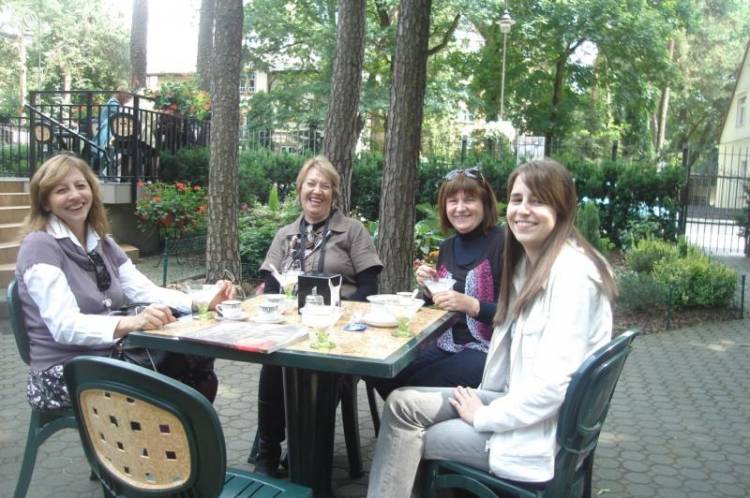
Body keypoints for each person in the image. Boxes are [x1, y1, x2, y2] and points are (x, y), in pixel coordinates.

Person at [366, 159, 617, 497]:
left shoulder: (572, 277)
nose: (523, 210)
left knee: (410, 430)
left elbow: (551, 390)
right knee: (401, 402)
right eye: (517, 199)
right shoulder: (535, 264)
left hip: (537, 434)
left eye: (538, 201)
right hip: (514, 400)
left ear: (562, 208)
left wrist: (483, 415)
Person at [15, 153, 234, 411]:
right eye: (61, 190)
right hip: (63, 372)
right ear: (45, 202)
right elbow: (64, 325)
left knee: (196, 351)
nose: (75, 195)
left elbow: (144, 290)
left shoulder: (102, 243)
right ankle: (167, 432)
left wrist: (201, 302)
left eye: (81, 186)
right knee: (175, 366)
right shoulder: (40, 246)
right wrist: (131, 322)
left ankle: (177, 432)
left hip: (105, 355)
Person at [252, 155, 383, 476]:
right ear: (300, 188)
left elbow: (369, 287)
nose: (317, 191)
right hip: (291, 330)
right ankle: (268, 451)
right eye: (311, 184)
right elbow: (271, 287)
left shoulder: (352, 231)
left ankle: (305, 450)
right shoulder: (285, 235)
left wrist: (341, 317)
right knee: (273, 364)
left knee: (323, 369)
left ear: (334, 193)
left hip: (338, 332)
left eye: (325, 186)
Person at [370, 167, 504, 399]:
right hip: (445, 343)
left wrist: (471, 305)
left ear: (485, 204)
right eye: (453, 201)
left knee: (416, 387)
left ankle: (416, 415)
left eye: (469, 200)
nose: (460, 208)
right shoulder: (447, 247)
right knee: (380, 370)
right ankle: (412, 416)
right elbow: (438, 303)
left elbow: (516, 314)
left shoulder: (503, 243)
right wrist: (428, 287)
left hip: (486, 349)